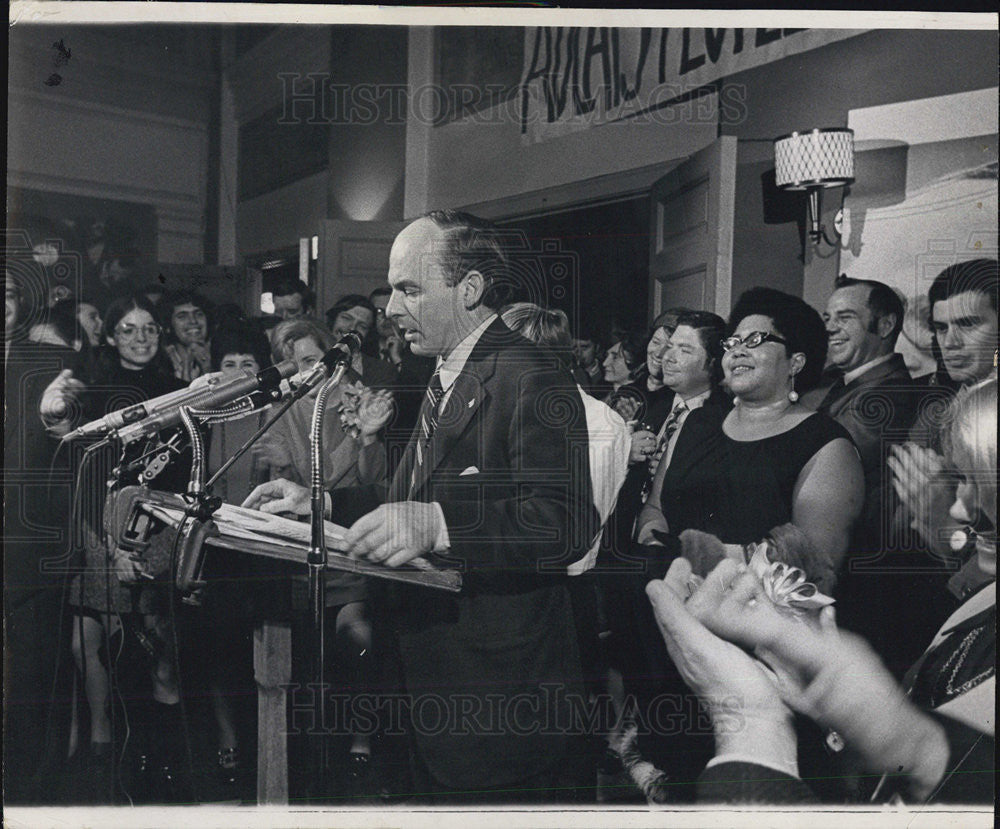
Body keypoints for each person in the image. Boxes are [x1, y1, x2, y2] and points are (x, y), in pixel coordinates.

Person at [243, 210, 600, 803]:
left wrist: (437, 523)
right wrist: (321, 502)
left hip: (495, 706)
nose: (390, 308)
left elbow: (564, 522)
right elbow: (408, 500)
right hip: (424, 690)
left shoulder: (529, 373)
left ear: (471, 289)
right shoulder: (441, 373)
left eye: (409, 289)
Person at [646, 376, 996, 805]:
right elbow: (959, 771)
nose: (959, 509)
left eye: (978, 484)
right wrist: (840, 706)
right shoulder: (980, 606)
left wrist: (755, 724)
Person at [39, 293, 191, 802]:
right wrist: (112, 547)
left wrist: (154, 548)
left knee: (161, 658)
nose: (141, 338)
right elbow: (84, 480)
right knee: (109, 650)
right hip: (103, 539)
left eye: (149, 328)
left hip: (162, 540)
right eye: (129, 329)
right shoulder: (94, 397)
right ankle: (123, 761)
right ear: (110, 337)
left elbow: (189, 481)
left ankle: (166, 766)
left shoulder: (182, 394)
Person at [890, 259, 998, 572]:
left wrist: (946, 528)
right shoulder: (936, 410)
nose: (950, 342)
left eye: (968, 324)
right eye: (941, 328)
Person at [325, 293, 398, 388]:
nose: (352, 328)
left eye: (362, 326)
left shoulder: (383, 371)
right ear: (333, 319)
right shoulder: (311, 355)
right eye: (346, 318)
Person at [158, 290, 213, 382]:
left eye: (198, 314)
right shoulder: (161, 361)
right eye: (182, 316)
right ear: (168, 326)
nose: (193, 321)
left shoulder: (222, 355)